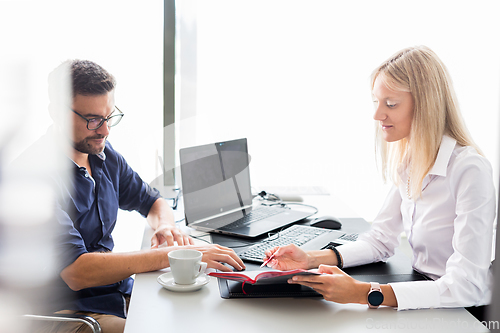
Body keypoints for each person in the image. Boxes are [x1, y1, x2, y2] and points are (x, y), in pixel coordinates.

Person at [264, 46, 495, 314]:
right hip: (423, 296)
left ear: (426, 104)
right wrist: (310, 259)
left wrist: (364, 293)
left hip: (463, 311)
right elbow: (381, 241)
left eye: (391, 104)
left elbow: (467, 285)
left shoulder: (470, 170)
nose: (377, 115)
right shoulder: (411, 160)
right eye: (377, 102)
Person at [25, 59, 245, 333]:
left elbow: (153, 201)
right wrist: (173, 253)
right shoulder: (33, 178)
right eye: (93, 120)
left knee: (202, 316)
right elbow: (77, 272)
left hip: (114, 294)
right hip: (69, 313)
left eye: (109, 117)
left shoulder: (103, 155)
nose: (104, 130)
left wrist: (165, 226)